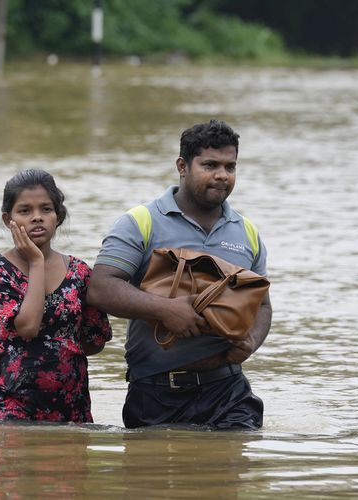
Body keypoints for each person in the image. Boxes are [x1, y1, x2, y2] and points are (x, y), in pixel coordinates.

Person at [87, 119, 272, 430]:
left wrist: (250, 342)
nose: (222, 175)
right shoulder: (140, 222)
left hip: (228, 392)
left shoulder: (247, 232)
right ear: (182, 166)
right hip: (155, 392)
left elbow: (263, 306)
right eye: (210, 164)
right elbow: (100, 288)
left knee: (232, 474)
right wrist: (166, 310)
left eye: (230, 166)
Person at [0, 169, 112, 423]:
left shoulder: (80, 272)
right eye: (25, 211)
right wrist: (37, 263)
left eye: (46, 209)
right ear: (9, 220)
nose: (37, 218)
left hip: (70, 403)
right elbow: (27, 328)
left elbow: (95, 341)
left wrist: (49, 348)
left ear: (58, 216)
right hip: (10, 400)